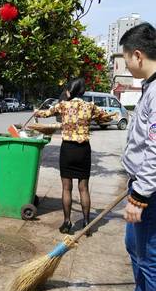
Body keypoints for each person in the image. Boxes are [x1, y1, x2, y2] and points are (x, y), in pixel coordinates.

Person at [110, 23, 156, 291]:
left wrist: (139, 196)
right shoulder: (148, 88)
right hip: (138, 184)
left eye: (126, 58)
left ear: (137, 55)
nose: (126, 64)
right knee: (133, 247)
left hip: (149, 192)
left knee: (149, 255)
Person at [35, 77, 114, 235]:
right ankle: (86, 223)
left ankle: (67, 222)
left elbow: (45, 113)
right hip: (84, 150)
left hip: (68, 149)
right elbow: (107, 117)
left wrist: (36, 112)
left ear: (69, 91)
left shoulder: (63, 105)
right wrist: (93, 118)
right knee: (83, 188)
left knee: (66, 188)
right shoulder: (90, 106)